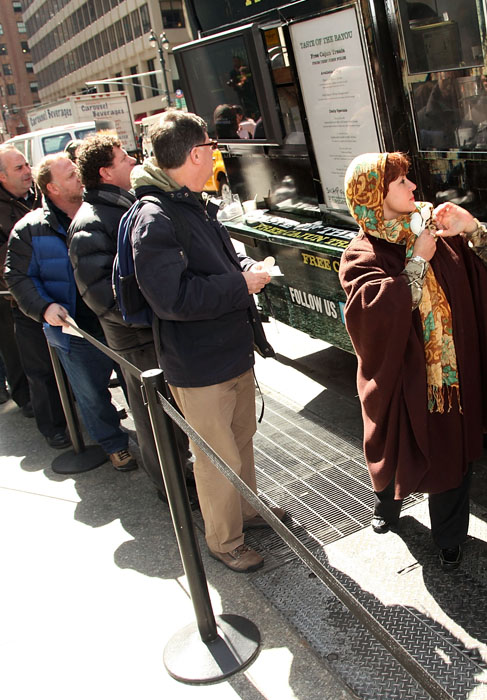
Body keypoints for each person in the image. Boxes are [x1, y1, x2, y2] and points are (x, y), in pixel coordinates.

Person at [130, 110, 285, 573]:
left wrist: (242, 268)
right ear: (196, 153)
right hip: (198, 363)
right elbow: (171, 298)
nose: (215, 155)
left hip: (226, 349)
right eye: (211, 149)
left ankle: (249, 512)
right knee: (216, 455)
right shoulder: (156, 215)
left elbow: (219, 254)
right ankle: (226, 541)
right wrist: (242, 284)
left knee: (241, 440)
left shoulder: (187, 201)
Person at [339, 152, 487, 569]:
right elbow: (369, 316)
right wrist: (417, 263)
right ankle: (387, 507)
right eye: (400, 183)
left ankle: (449, 537)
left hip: (449, 378)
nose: (413, 187)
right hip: (402, 383)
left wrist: (472, 229)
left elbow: (484, 269)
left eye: (409, 179)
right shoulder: (363, 252)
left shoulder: (431, 228)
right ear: (375, 196)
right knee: (393, 452)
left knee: (453, 456)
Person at [68, 134, 192, 498]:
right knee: (155, 421)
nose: (131, 161)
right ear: (106, 172)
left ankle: (181, 478)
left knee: (171, 419)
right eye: (123, 158)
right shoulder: (90, 222)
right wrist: (155, 315)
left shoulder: (124, 205)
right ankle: (172, 490)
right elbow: (102, 296)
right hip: (138, 341)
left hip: (153, 333)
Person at [5, 153, 135, 468]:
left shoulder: (103, 210)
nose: (77, 174)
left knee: (137, 386)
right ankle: (115, 445)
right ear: (52, 188)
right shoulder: (29, 229)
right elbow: (16, 276)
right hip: (76, 329)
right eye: (69, 173)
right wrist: (44, 307)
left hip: (119, 320)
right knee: (91, 395)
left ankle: (158, 441)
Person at [0, 145, 41, 422]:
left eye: (27, 165)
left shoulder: (39, 194)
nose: (27, 172)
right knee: (16, 349)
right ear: (2, 176)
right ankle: (26, 398)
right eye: (19, 168)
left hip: (48, 283)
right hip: (10, 294)